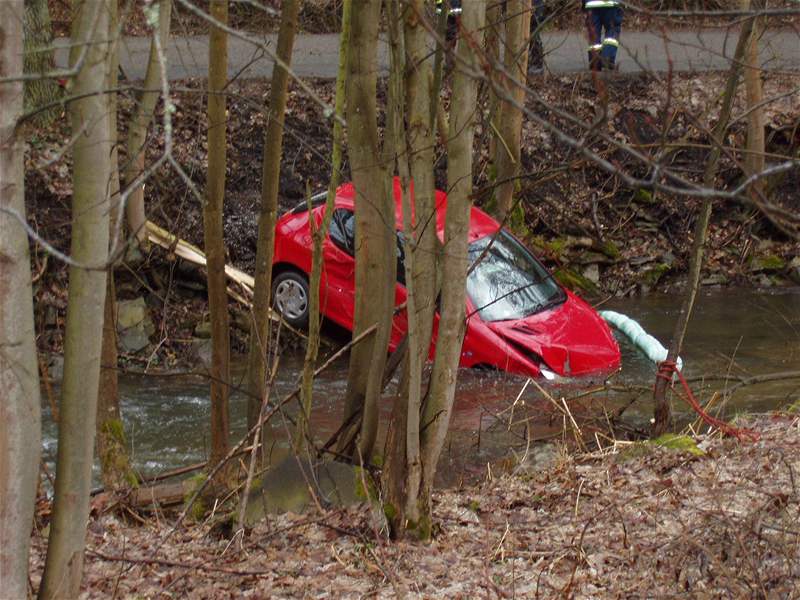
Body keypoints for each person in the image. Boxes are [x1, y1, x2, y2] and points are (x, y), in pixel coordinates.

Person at [583, 0, 623, 71]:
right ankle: (607, 57)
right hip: (611, 5)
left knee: (593, 32)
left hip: (591, 5)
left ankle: (595, 61)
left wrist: (584, 6)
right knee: (612, 29)